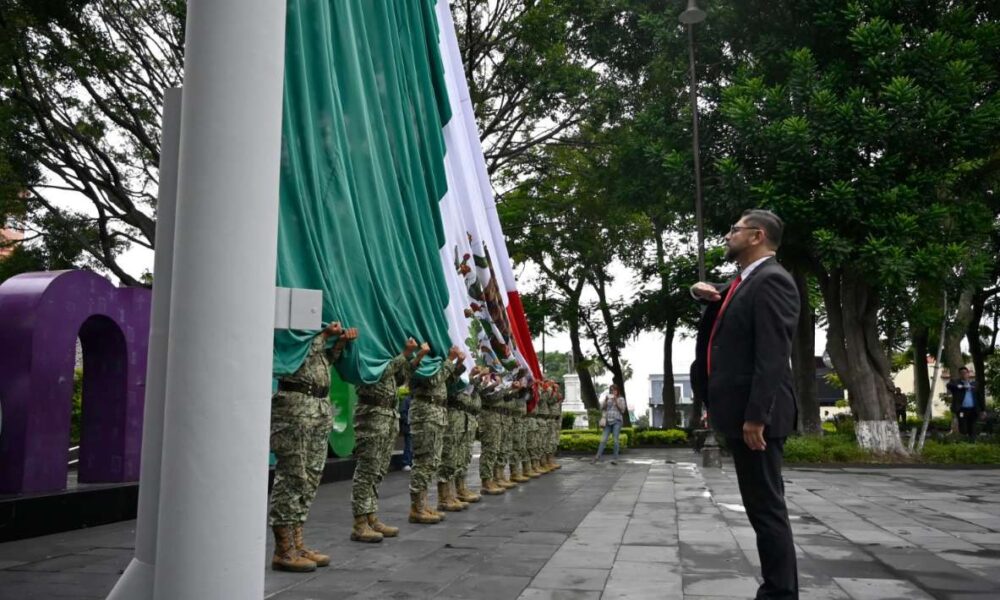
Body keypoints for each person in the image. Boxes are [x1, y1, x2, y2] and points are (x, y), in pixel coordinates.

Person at [691, 209, 799, 599]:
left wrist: (757, 417)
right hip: (741, 414)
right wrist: (701, 294)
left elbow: (772, 356)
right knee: (761, 508)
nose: (727, 235)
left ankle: (780, 593)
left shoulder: (771, 281)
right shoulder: (744, 281)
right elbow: (725, 305)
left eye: (734, 230)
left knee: (767, 509)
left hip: (757, 419)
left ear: (756, 236)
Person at [269, 322, 357, 572]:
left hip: (318, 407)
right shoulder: (292, 333)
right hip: (295, 407)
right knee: (292, 476)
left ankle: (297, 544)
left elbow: (324, 361)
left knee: (310, 477)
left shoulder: (316, 336)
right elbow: (292, 356)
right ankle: (283, 549)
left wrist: (339, 343)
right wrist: (324, 335)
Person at [349, 337, 422, 543]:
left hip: (388, 416)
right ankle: (360, 523)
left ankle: (371, 517)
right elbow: (377, 374)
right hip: (372, 415)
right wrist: (405, 354)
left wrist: (412, 358)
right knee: (368, 470)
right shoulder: (367, 352)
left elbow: (399, 378)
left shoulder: (386, 355)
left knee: (378, 471)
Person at [408, 345, 464, 523]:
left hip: (437, 414)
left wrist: (458, 364)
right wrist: (449, 360)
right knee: (424, 461)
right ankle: (417, 508)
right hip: (425, 414)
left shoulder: (435, 361)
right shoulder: (423, 360)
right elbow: (433, 380)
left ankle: (424, 505)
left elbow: (446, 382)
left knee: (432, 462)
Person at [593, 384, 626, 464]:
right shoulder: (608, 399)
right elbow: (601, 408)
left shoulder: (621, 399)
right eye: (611, 390)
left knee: (615, 440)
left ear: (617, 391)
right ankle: (597, 457)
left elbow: (622, 410)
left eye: (614, 390)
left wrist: (616, 401)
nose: (613, 391)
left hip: (617, 421)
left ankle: (615, 459)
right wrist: (605, 400)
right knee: (603, 439)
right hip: (607, 422)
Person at [947, 367, 982, 441]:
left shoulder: (974, 384)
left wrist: (983, 409)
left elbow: (980, 397)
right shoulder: (955, 383)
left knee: (972, 427)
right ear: (959, 374)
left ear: (968, 373)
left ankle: (972, 442)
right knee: (963, 427)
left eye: (965, 373)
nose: (964, 375)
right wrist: (961, 387)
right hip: (962, 410)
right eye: (962, 373)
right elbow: (949, 385)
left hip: (973, 409)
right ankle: (964, 439)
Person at [399, 389, 413, 471]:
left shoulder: (415, 400)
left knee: (413, 446)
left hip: (415, 427)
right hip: (408, 427)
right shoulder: (406, 399)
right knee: (409, 445)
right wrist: (408, 421)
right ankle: (406, 462)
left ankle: (410, 462)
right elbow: (402, 412)